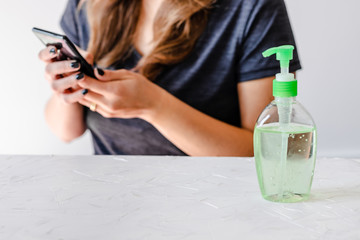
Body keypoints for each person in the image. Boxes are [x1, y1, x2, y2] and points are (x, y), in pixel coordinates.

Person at [38, 0, 301, 156]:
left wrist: (155, 106)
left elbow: (266, 150)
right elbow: (67, 131)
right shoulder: (88, 5)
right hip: (112, 197)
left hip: (212, 199)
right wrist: (68, 89)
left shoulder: (251, 8)